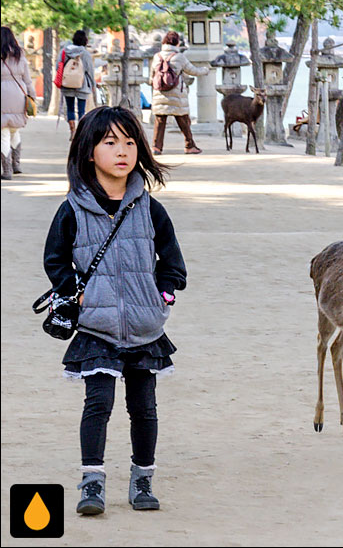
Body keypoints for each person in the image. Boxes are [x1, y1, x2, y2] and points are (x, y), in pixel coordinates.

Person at [43, 106, 186, 515]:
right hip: (96, 325)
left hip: (144, 326)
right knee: (98, 404)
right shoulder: (72, 208)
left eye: (129, 142)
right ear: (89, 151)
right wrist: (72, 292)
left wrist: (164, 294)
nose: (122, 151)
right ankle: (92, 482)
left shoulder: (150, 208)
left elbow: (173, 264)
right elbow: (54, 259)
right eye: (110, 143)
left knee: (144, 408)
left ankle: (142, 480)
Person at [150, 31, 209, 154]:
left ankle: (156, 147)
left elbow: (152, 77)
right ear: (176, 43)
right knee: (183, 119)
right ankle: (189, 145)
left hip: (160, 93)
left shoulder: (157, 56)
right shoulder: (179, 57)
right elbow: (193, 71)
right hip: (176, 93)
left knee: (160, 120)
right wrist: (205, 70)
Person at [1, 26, 36, 180]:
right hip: (19, 94)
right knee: (14, 130)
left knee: (3, 134)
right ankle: (16, 165)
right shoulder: (20, 54)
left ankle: (7, 171)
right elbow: (27, 79)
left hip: (2, 95)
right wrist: (32, 96)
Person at [59, 30, 96, 142]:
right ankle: (80, 132)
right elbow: (90, 70)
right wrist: (93, 85)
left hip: (67, 84)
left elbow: (58, 66)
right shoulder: (85, 53)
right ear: (85, 40)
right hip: (82, 84)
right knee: (81, 111)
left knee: (70, 109)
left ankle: (72, 131)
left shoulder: (64, 51)